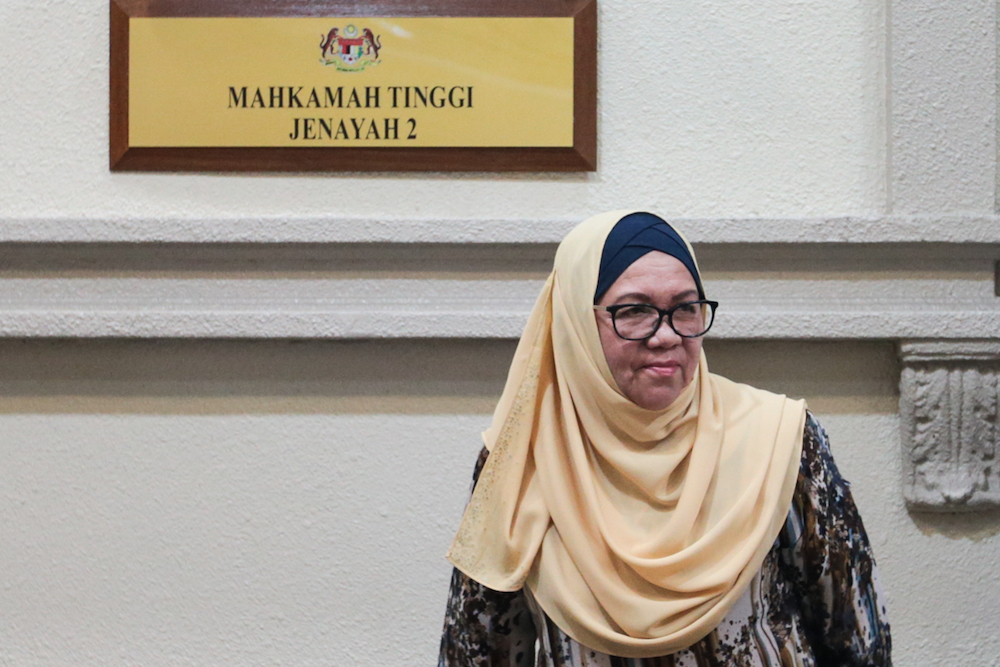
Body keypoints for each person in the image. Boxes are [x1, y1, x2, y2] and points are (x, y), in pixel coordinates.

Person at [438, 210, 891, 666]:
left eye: (685, 309)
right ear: (575, 322)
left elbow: (856, 638)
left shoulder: (779, 439)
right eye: (634, 311)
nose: (667, 335)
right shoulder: (522, 458)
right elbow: (476, 653)